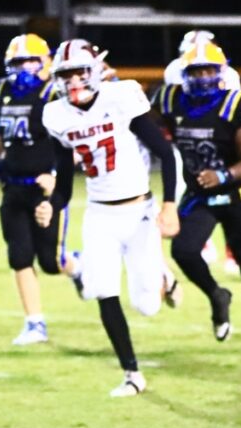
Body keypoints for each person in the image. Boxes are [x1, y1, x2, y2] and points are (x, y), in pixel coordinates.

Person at [39, 39, 181, 397]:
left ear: (94, 72)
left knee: (146, 305)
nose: (72, 82)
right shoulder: (56, 115)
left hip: (140, 212)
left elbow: (166, 153)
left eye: (78, 73)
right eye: (65, 75)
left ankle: (163, 276)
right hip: (100, 214)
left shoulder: (121, 99)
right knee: (101, 289)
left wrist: (169, 205)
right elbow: (64, 181)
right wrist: (51, 205)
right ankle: (132, 374)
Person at [154, 39, 241, 353]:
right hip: (200, 195)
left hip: (235, 194)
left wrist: (223, 174)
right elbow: (144, 127)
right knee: (184, 250)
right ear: (184, 73)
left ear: (220, 72)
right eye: (196, 70)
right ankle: (217, 295)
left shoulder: (234, 103)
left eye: (208, 70)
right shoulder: (170, 99)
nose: (202, 77)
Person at [0, 34, 79, 345]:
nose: (25, 68)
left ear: (45, 63)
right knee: (19, 256)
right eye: (18, 63)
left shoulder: (55, 93)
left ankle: (77, 267)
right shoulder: (2, 90)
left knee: (50, 261)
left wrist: (57, 176)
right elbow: (1, 134)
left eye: (31, 61)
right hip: (13, 186)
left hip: (44, 189)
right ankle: (35, 323)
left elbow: (74, 142)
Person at [163, 29, 241, 274]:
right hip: (189, 144)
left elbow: (234, 112)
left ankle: (235, 252)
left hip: (223, 143)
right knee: (183, 193)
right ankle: (202, 242)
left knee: (235, 197)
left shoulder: (230, 75)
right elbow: (176, 108)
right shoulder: (175, 70)